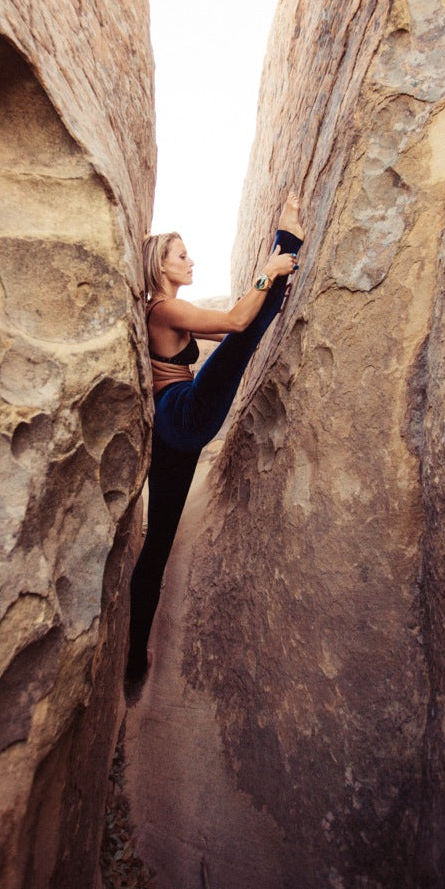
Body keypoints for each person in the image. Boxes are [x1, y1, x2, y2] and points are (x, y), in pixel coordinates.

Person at [126, 191, 305, 686]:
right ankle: (287, 245)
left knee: (159, 541)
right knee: (241, 336)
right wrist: (268, 270)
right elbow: (235, 320)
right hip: (182, 414)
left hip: (175, 433)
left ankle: (133, 656)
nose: (191, 260)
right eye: (181, 255)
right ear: (160, 266)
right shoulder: (161, 308)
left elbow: (233, 317)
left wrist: (264, 282)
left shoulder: (170, 309)